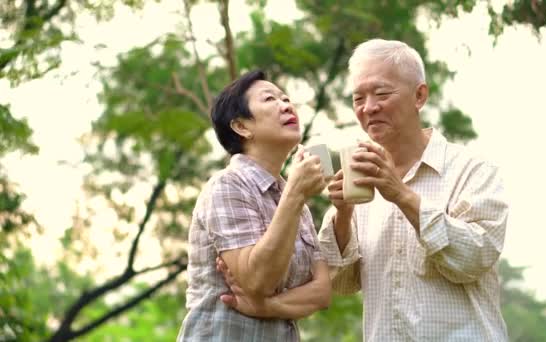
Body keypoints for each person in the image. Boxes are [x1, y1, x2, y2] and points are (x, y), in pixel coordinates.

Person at [318, 39, 509, 341]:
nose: (369, 107)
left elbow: (475, 258)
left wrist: (400, 194)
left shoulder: (472, 170)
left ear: (419, 96)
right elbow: (341, 282)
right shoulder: (359, 179)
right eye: (358, 98)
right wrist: (342, 213)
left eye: (381, 93)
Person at [177, 70, 331, 342]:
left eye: (285, 98)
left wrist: (265, 307)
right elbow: (258, 280)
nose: (286, 104)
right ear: (242, 127)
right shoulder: (227, 186)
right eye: (270, 99)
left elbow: (321, 292)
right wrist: (295, 194)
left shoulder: (295, 203)